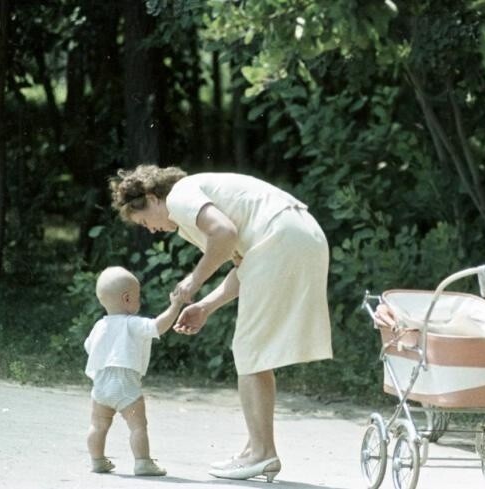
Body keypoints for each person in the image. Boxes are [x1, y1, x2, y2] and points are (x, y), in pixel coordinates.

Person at [108, 164, 333, 482]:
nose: (150, 229)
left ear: (151, 198)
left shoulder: (180, 195)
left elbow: (224, 233)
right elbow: (244, 263)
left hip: (282, 237)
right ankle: (255, 449)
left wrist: (194, 281)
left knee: (250, 348)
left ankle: (262, 453)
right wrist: (206, 306)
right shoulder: (194, 203)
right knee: (253, 349)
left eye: (144, 221)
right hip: (304, 236)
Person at [84, 266, 184, 476]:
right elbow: (158, 326)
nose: (140, 300)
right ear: (127, 298)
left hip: (100, 387)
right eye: (138, 296)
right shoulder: (132, 324)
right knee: (138, 426)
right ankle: (142, 462)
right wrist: (175, 306)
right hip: (126, 387)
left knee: (98, 425)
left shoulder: (99, 325)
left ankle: (97, 460)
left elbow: (88, 347)